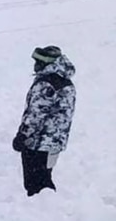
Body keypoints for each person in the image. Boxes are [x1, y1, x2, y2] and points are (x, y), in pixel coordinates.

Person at [12, 45, 76, 196]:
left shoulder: (47, 83)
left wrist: (23, 135)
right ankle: (48, 209)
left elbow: (36, 114)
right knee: (44, 179)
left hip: (37, 143)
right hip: (54, 143)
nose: (35, 66)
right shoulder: (65, 81)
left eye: (39, 62)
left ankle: (42, 214)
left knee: (35, 185)